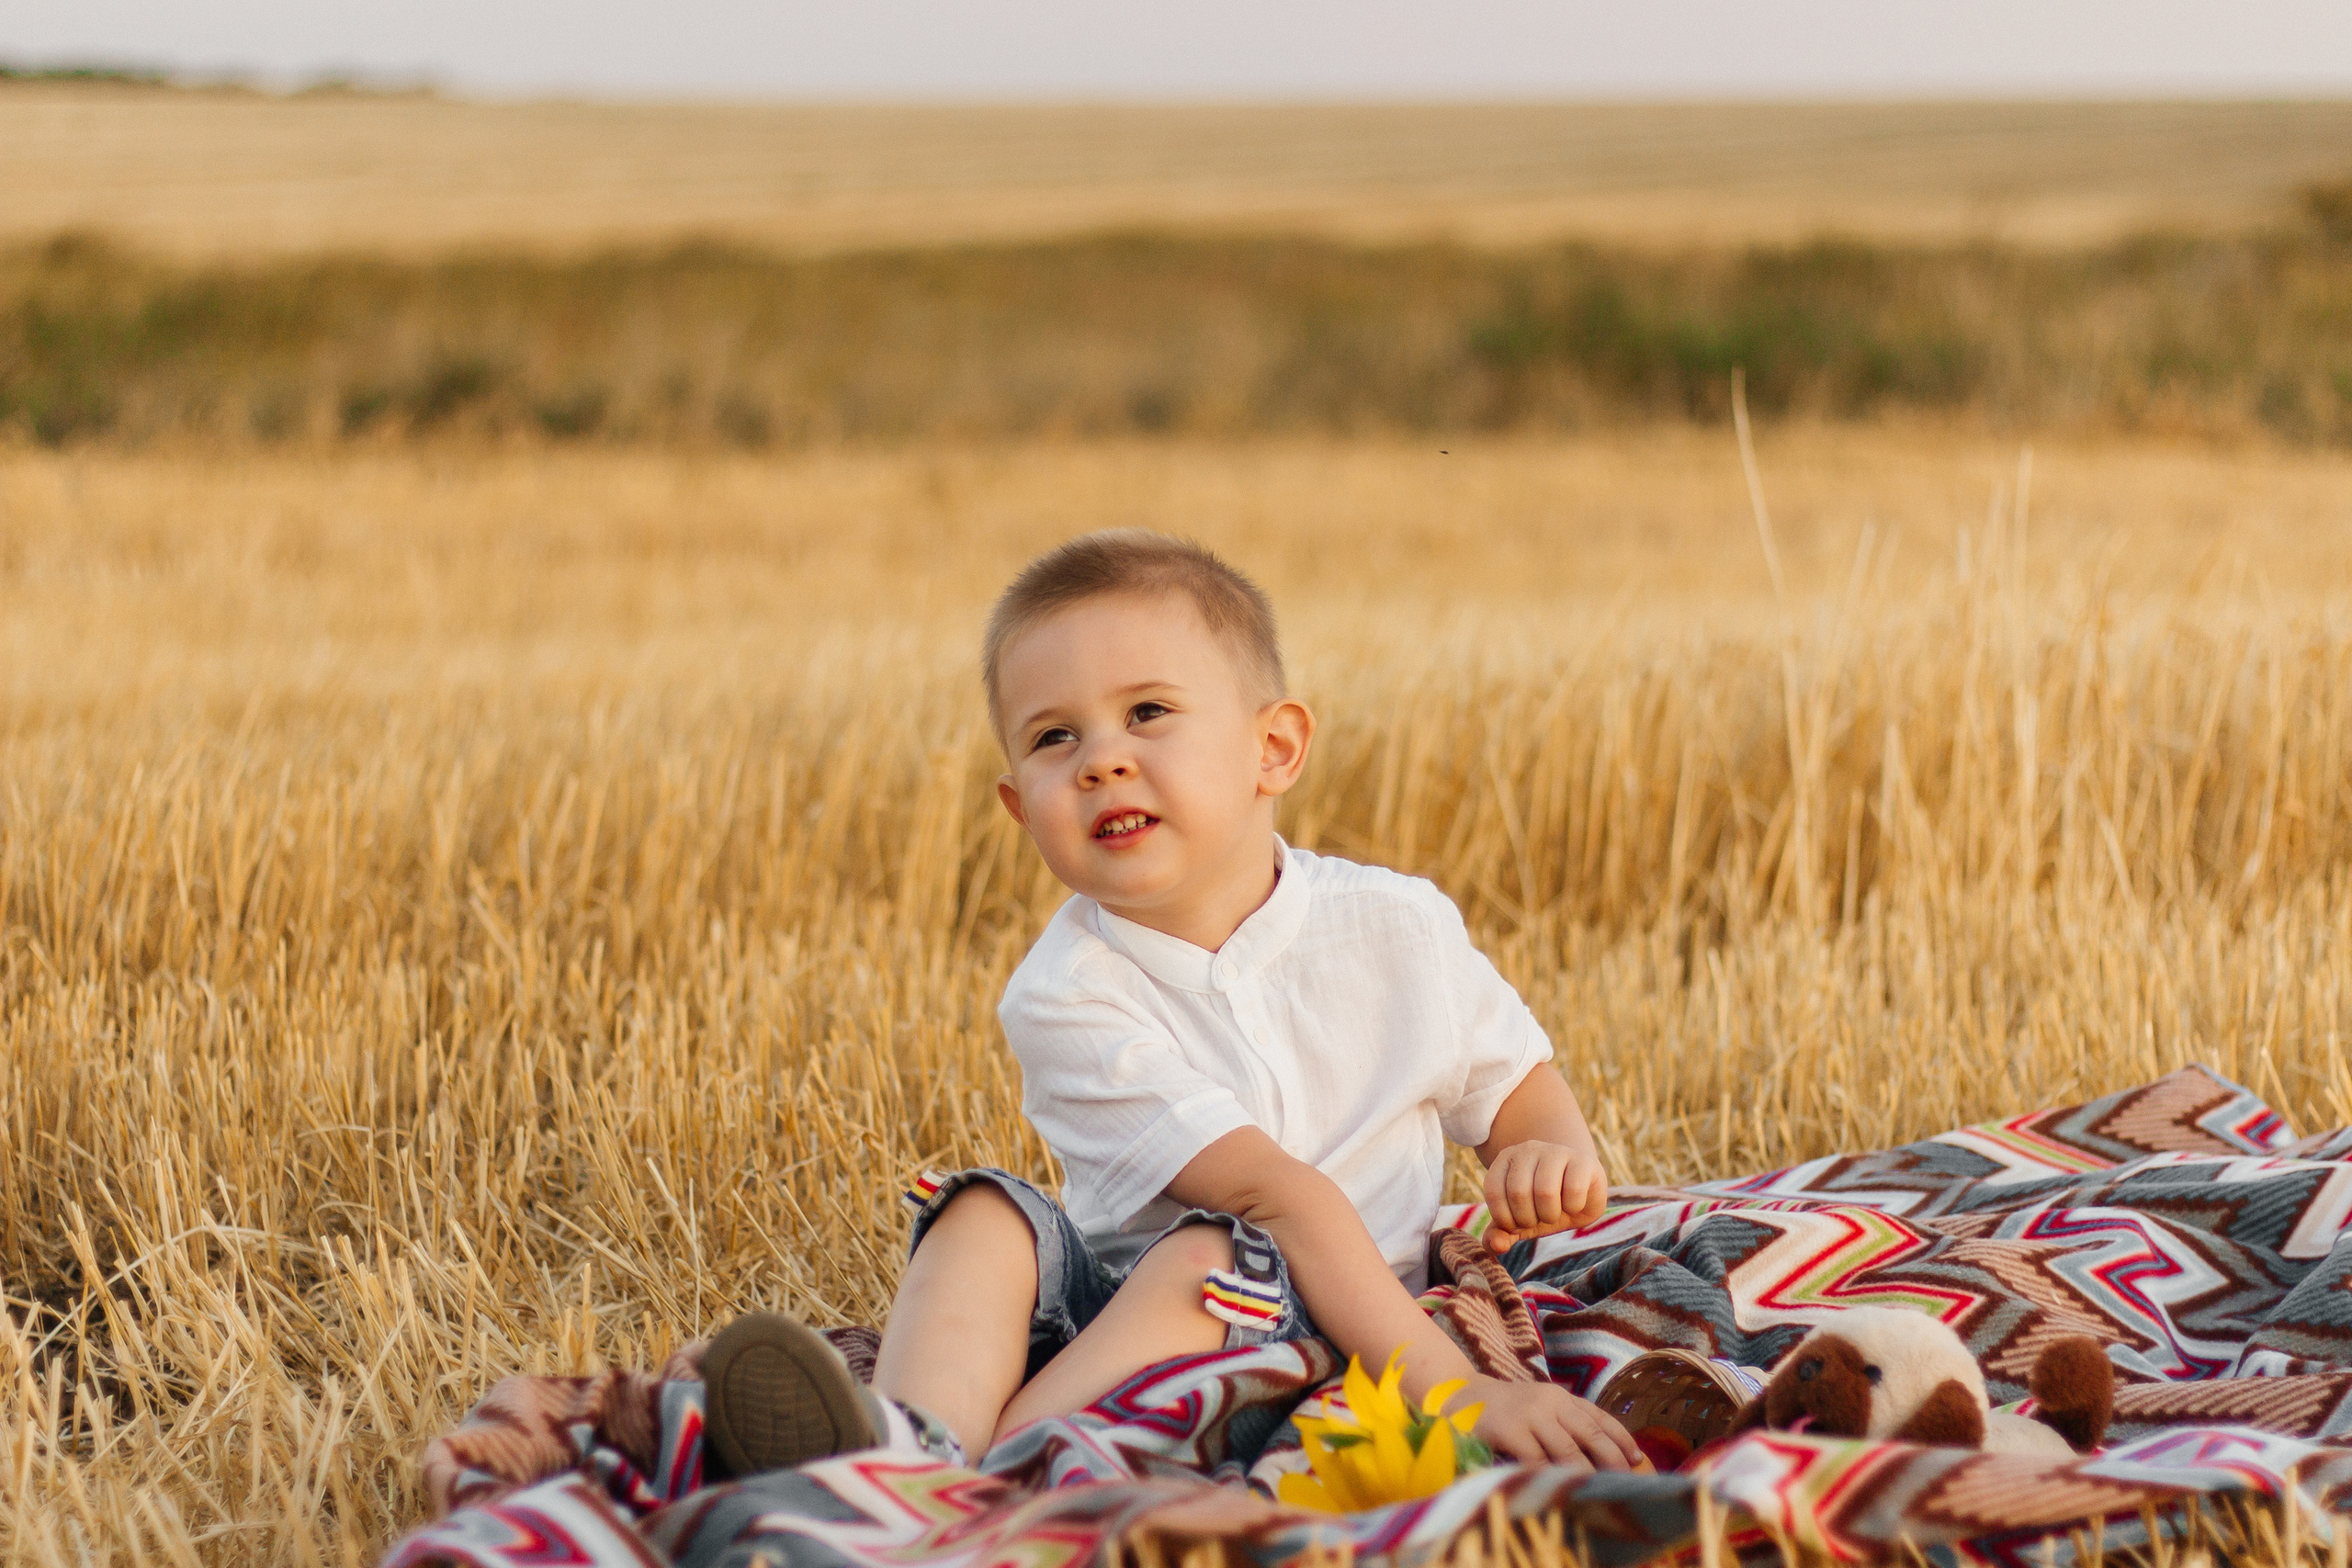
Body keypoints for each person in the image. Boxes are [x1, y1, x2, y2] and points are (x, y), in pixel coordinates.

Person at [697, 530, 1643, 1482]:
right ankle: (916, 1442)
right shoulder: (1065, 994)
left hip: (1355, 1312)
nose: (1100, 760)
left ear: (1272, 749)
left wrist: (1546, 1155)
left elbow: (1517, 1084)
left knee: (1212, 1262)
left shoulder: (1397, 925)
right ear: (1021, 808)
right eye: (1052, 737)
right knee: (986, 1212)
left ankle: (955, 1482)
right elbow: (1276, 1199)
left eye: (1146, 712)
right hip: (1120, 1308)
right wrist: (1454, 1389)